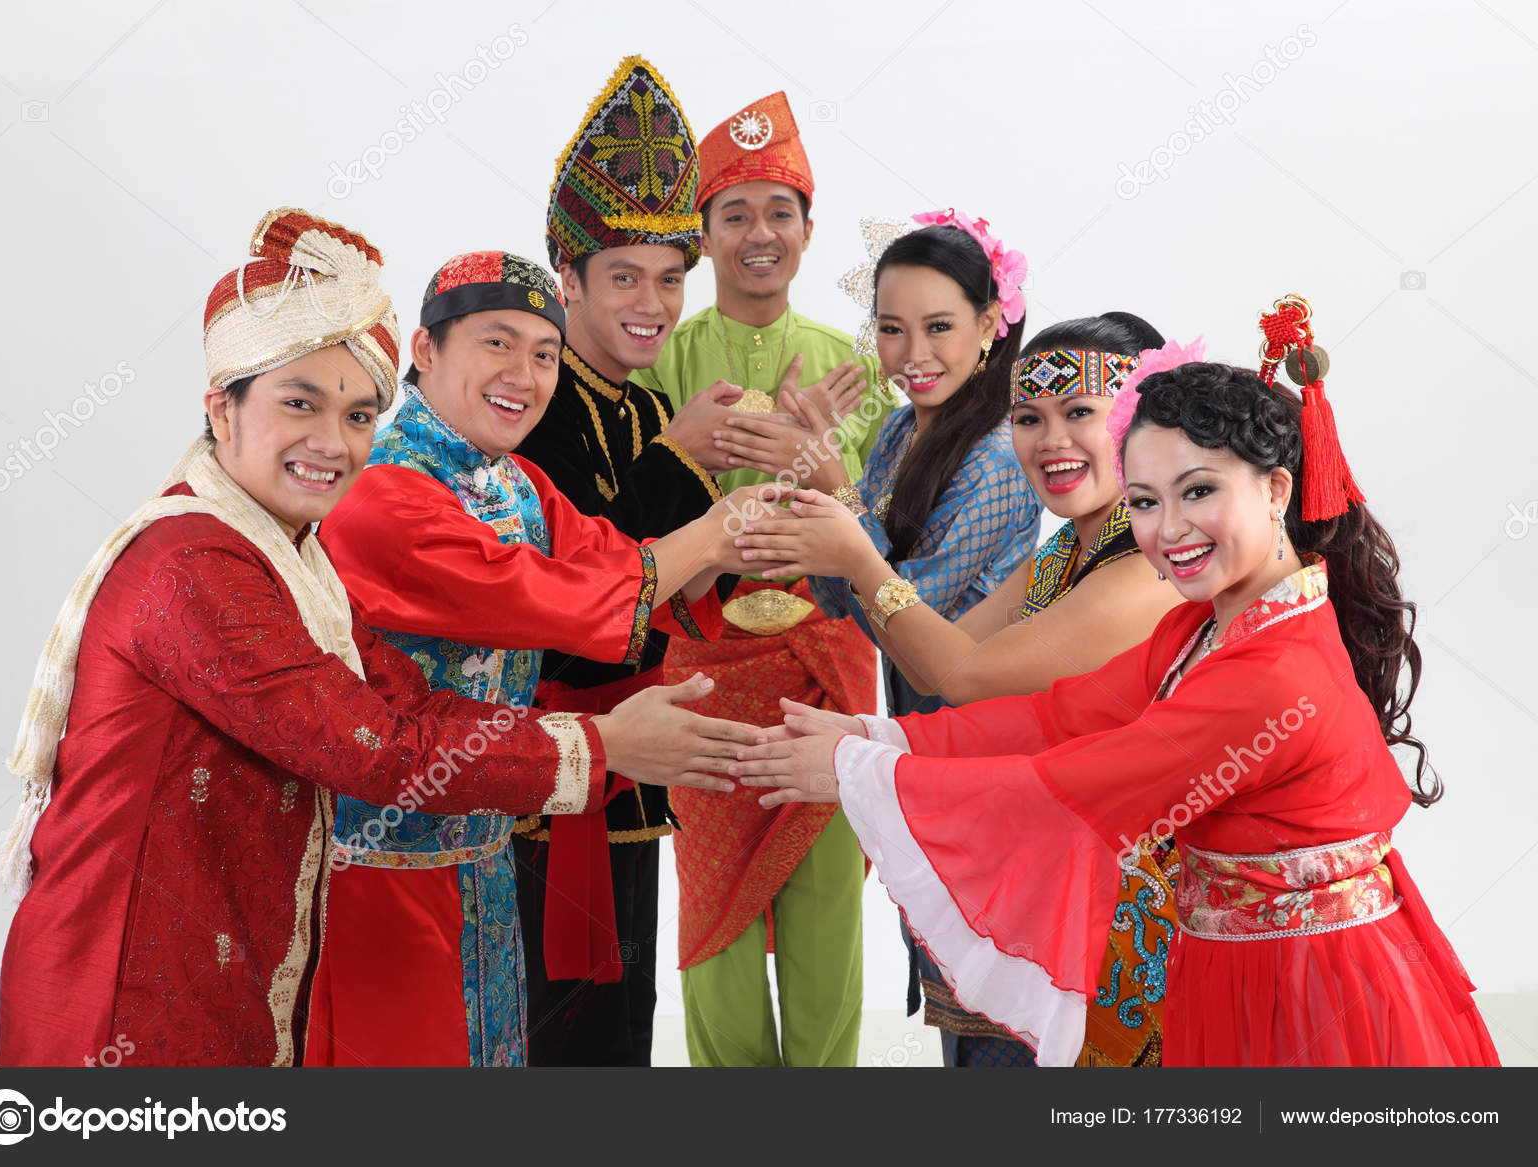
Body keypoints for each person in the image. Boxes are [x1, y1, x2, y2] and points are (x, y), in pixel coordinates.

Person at [0, 208, 758, 1067]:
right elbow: (382, 744)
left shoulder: (297, 547)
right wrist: (604, 741)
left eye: (358, 414)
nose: (333, 441)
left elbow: (410, 682)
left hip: (433, 855)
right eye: (299, 403)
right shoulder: (205, 560)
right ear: (222, 406)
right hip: (197, 950)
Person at [733, 297, 1500, 1066]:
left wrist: (861, 772)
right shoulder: (1203, 626)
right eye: (1145, 501)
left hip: (1314, 992)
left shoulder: (1275, 671)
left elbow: (1072, 784)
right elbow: (1059, 716)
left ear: (1276, 489)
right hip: (1223, 967)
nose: (1169, 529)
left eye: (1199, 491)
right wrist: (883, 734)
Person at [311, 244, 763, 1067]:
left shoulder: (512, 480)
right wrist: (712, 529)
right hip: (385, 853)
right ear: (425, 350)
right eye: (496, 342)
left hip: (483, 844)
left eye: (545, 353)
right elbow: (544, 597)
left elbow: (609, 553)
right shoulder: (382, 486)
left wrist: (754, 536)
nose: (523, 372)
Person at [739, 311, 1184, 1065]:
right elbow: (933, 663)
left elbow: (960, 675)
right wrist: (860, 736)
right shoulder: (1059, 559)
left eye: (1080, 412)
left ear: (1138, 423)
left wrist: (857, 551)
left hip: (1127, 913)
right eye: (1028, 417)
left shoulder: (1150, 570)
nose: (1052, 442)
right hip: (1039, 882)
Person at [632, 88, 891, 1068]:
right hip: (701, 677)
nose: (759, 233)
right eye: (734, 213)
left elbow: (882, 537)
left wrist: (829, 466)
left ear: (809, 230)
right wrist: (675, 444)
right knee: (714, 924)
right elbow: (619, 521)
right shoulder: (663, 359)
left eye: (779, 211)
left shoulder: (850, 367)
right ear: (701, 235)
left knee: (827, 913)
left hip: (822, 671)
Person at [509, 53, 735, 1066]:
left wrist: (782, 504)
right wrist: (687, 459)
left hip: (639, 768)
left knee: (625, 1029)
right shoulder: (527, 403)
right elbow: (592, 584)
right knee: (554, 1031)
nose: (653, 301)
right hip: (543, 773)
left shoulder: (643, 405)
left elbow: (678, 590)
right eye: (623, 278)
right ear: (567, 279)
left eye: (670, 277)